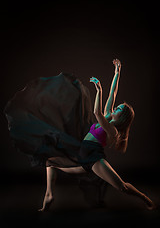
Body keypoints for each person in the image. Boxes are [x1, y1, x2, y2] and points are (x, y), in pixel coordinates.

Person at [4, 59, 155, 211]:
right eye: (117, 106)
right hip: (81, 154)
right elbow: (113, 92)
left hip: (93, 159)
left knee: (121, 186)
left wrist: (99, 90)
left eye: (118, 110)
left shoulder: (113, 130)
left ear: (121, 118)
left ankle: (144, 198)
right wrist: (117, 72)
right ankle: (49, 196)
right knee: (49, 161)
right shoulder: (109, 115)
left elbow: (96, 113)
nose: (115, 108)